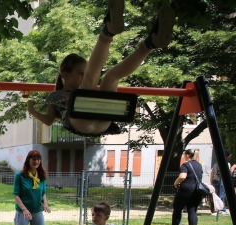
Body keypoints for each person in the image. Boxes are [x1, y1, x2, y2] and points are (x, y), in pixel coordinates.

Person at [27, 1, 175, 137]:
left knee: (111, 77)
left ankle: (150, 44)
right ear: (65, 75)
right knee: (93, 76)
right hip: (80, 121)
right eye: (80, 74)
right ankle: (107, 32)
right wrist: (32, 109)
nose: (83, 77)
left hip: (102, 120)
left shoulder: (85, 91)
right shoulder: (55, 96)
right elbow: (48, 120)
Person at [164, 149, 202, 225]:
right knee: (192, 211)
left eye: (184, 154)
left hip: (185, 190)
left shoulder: (186, 165)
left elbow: (182, 176)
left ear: (188, 155)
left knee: (177, 209)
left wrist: (175, 183)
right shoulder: (199, 165)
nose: (184, 156)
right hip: (197, 191)